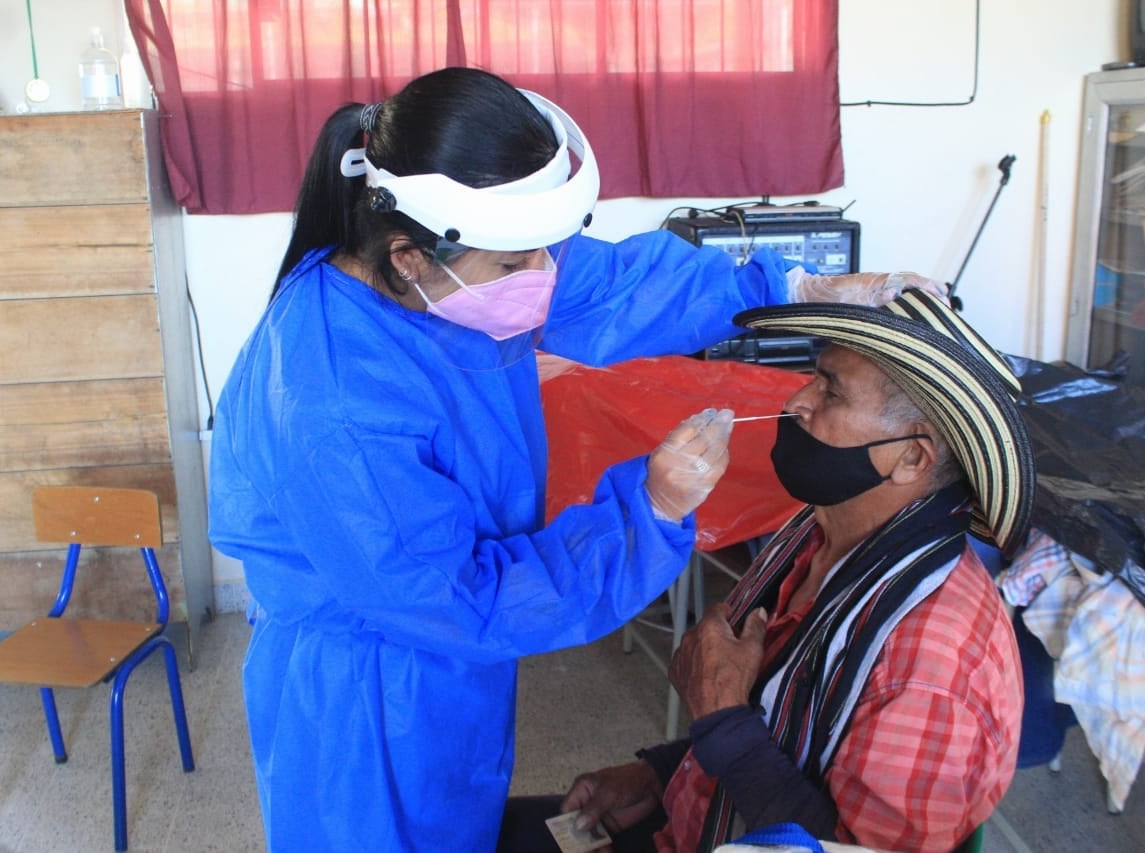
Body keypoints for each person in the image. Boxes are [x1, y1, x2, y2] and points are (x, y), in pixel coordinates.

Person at [208, 66, 946, 852]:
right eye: (515, 265)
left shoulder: (455, 269)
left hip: (435, 661)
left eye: (544, 252)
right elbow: (462, 599)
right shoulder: (335, 403)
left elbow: (615, 286)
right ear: (409, 257)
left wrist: (795, 284)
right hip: (366, 702)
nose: (544, 277)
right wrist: (646, 514)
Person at [500, 289, 1034, 853]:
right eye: (813, 377)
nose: (798, 400)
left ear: (912, 457)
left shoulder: (930, 665)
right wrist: (660, 774)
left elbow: (851, 847)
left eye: (830, 391)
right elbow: (784, 723)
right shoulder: (817, 531)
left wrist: (720, 720)